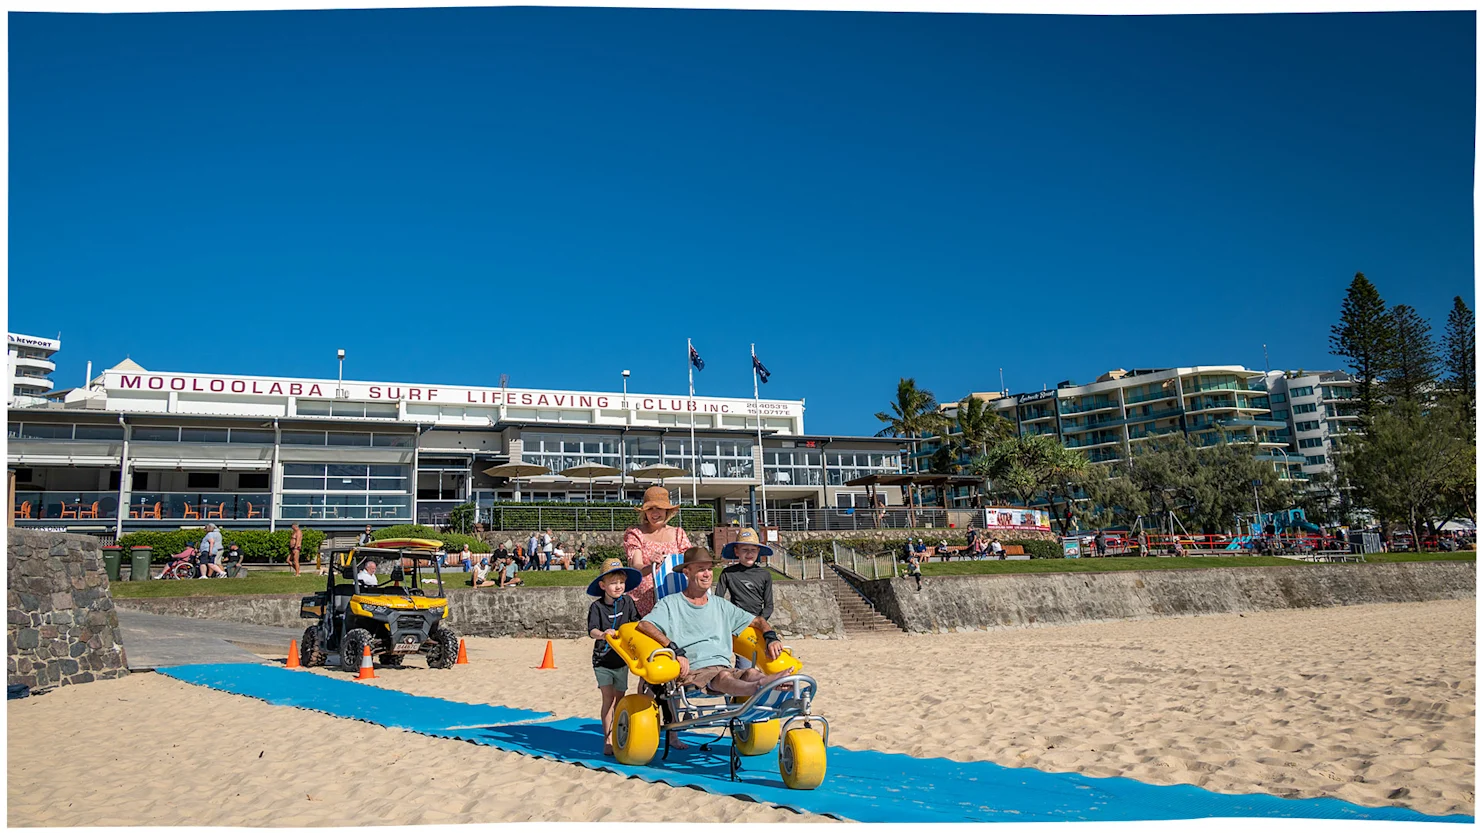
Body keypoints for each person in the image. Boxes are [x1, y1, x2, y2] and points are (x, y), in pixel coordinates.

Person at [637, 547, 795, 750]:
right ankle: (761, 688)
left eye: (709, 570)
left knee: (750, 672)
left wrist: (770, 636)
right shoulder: (671, 603)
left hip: (722, 667)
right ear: (687, 572)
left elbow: (756, 620)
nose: (707, 574)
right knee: (724, 679)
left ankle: (764, 683)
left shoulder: (721, 605)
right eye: (701, 569)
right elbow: (645, 625)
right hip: (694, 671)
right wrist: (674, 649)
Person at [586, 558, 642, 756]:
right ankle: (607, 739)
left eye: (621, 582)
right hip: (602, 660)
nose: (618, 586)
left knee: (621, 699)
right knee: (608, 699)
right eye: (613, 582)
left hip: (622, 660)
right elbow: (591, 630)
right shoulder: (597, 607)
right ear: (603, 585)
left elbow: (637, 623)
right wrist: (603, 634)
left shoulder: (628, 602)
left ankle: (620, 734)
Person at [623, 486, 694, 617]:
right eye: (650, 509)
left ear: (667, 511)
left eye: (659, 508)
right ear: (645, 512)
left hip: (674, 599)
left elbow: (690, 562)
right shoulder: (635, 533)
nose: (655, 513)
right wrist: (651, 566)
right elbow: (636, 567)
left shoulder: (678, 533)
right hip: (642, 602)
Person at [715, 528, 774, 670]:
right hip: (737, 626)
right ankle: (740, 690)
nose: (749, 553)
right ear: (736, 551)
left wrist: (759, 621)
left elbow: (769, 605)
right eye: (744, 549)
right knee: (745, 665)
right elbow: (718, 601)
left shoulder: (765, 575)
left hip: (759, 624)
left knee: (767, 661)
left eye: (753, 550)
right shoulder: (728, 573)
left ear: (758, 552)